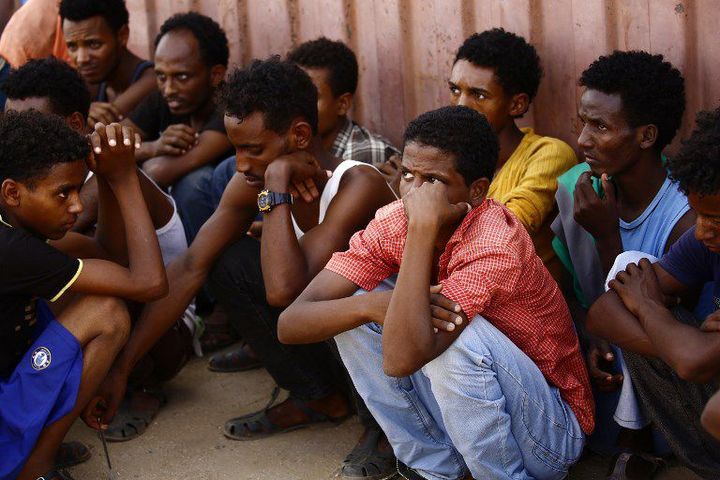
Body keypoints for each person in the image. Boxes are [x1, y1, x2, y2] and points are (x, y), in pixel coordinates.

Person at [92, 58, 396, 454]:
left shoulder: (358, 185)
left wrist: (274, 187)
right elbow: (189, 267)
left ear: (300, 135)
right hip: (324, 333)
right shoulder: (251, 178)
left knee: (346, 298)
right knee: (227, 260)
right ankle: (319, 397)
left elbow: (285, 289)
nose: (240, 164)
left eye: (254, 149)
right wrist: (121, 367)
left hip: (390, 344)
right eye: (237, 148)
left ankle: (385, 429)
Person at [279, 105, 594, 480]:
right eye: (408, 175)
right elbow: (291, 323)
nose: (413, 192)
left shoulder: (494, 243)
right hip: (467, 415)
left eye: (432, 181)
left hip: (549, 433)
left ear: (476, 191)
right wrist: (371, 305)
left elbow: (401, 359)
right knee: (355, 309)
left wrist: (421, 232)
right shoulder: (395, 219)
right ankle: (440, 471)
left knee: (453, 333)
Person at [2, 55, 197, 444]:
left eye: (32, 125)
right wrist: (120, 175)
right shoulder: (30, 199)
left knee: (89, 292)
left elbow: (114, 261)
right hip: (131, 282)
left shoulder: (62, 188)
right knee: (70, 285)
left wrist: (121, 175)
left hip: (162, 332)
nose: (17, 136)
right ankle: (35, 453)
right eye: (11, 124)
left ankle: (134, 387)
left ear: (74, 125)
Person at [0, 111, 166, 480]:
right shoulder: (12, 251)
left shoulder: (15, 228)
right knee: (107, 313)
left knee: (83, 290)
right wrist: (124, 178)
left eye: (78, 189)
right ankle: (35, 467)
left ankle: (35, 446)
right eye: (63, 193)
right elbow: (150, 283)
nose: (76, 205)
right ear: (12, 192)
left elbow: (105, 255)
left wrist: (106, 178)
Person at [551, 50, 695, 469]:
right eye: (582, 123)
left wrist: (607, 235)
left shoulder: (685, 218)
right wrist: (590, 335)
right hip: (600, 358)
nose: (582, 140)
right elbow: (568, 292)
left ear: (646, 136)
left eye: (600, 126)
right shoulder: (574, 190)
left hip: (661, 379)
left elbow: (657, 320)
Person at [587, 106, 720, 479]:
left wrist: (648, 305)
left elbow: (693, 363)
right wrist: (684, 343)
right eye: (699, 214)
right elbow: (602, 312)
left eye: (716, 220)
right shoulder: (705, 241)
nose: (702, 230)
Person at [382, 29, 576, 279]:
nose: (461, 104)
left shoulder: (547, 154)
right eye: (455, 90)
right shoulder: (439, 157)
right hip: (450, 285)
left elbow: (505, 231)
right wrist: (401, 187)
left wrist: (412, 205)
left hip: (512, 299)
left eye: (479, 95)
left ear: (516, 104)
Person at [125, 12, 233, 241]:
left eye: (182, 77)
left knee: (193, 183)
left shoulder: (231, 107)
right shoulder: (163, 99)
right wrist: (153, 148)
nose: (169, 89)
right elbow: (110, 144)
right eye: (161, 76)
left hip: (228, 227)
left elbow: (158, 171)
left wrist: (141, 155)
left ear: (215, 75)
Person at [60, 0, 156, 128]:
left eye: (94, 44)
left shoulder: (152, 81)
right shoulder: (91, 82)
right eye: (72, 46)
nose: (82, 58)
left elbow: (96, 131)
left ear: (122, 35)